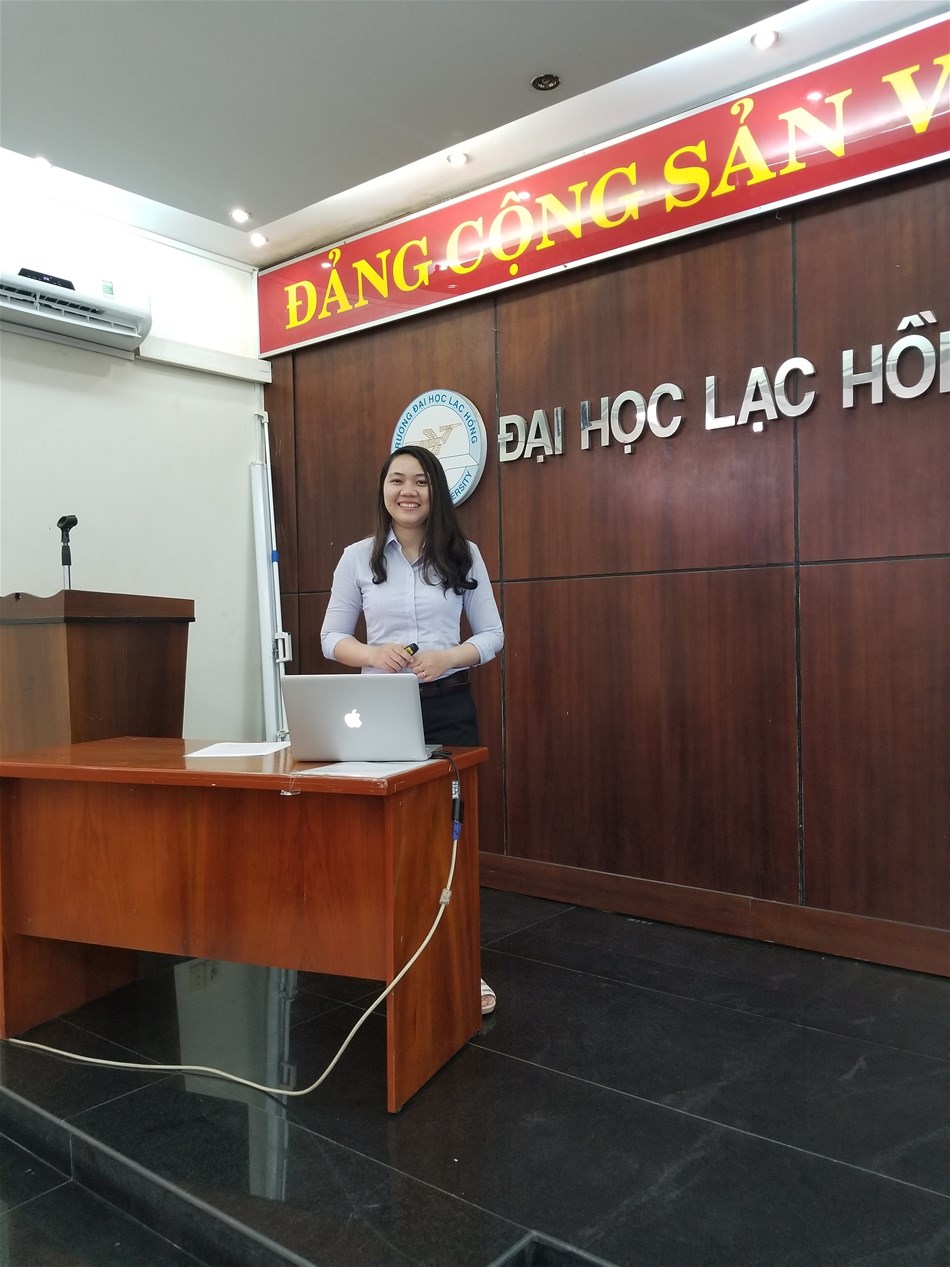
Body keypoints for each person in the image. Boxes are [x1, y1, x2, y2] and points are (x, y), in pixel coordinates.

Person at [321, 444, 504, 1015]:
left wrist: (448, 657)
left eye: (420, 481)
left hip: (448, 707)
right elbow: (331, 638)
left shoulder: (463, 554)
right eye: (397, 480)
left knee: (446, 838)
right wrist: (372, 654)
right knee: (386, 835)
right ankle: (390, 955)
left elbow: (493, 635)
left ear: (435, 492)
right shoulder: (357, 557)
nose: (408, 491)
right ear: (383, 489)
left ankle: (460, 962)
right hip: (380, 711)